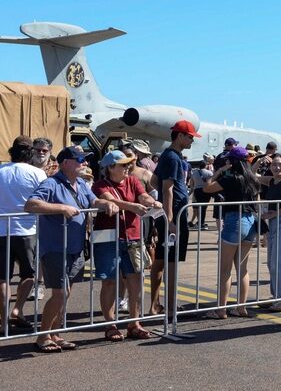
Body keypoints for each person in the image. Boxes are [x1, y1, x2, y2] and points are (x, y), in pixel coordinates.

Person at [25, 146, 118, 353]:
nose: (84, 163)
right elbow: (31, 205)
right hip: (55, 248)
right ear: (65, 162)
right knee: (59, 294)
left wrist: (105, 204)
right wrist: (61, 208)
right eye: (79, 160)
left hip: (75, 248)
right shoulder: (51, 183)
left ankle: (55, 334)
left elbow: (93, 200)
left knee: (65, 294)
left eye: (85, 160)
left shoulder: (82, 184)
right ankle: (42, 337)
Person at [92, 150, 161, 341]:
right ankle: (110, 324)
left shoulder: (133, 181)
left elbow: (143, 196)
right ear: (110, 167)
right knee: (109, 282)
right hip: (107, 238)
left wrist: (152, 202)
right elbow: (110, 200)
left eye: (129, 164)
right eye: (123, 164)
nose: (128, 167)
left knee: (136, 280)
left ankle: (134, 323)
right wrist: (133, 207)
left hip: (133, 237)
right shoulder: (100, 185)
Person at [0, 136, 45, 335]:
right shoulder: (37, 173)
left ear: (12, 151)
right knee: (28, 274)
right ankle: (17, 309)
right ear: (31, 154)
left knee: (2, 278)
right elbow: (43, 201)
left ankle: (4, 322)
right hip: (27, 230)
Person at [203, 145, 259, 318]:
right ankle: (241, 307)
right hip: (250, 221)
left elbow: (207, 187)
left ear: (233, 162)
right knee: (242, 268)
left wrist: (219, 170)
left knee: (225, 269)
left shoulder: (231, 178)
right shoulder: (252, 179)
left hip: (235, 220)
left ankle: (221, 309)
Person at [149, 120, 198, 318]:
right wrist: (170, 221)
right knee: (170, 263)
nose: (192, 141)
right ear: (180, 136)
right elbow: (167, 189)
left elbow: (154, 181)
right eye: (190, 137)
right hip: (173, 216)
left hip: (172, 215)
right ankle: (170, 307)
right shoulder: (172, 157)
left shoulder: (170, 156)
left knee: (161, 262)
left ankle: (156, 305)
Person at [255, 153, 281, 310]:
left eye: (280, 164)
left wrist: (275, 214)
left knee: (280, 262)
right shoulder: (271, 181)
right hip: (273, 223)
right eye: (273, 165)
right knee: (272, 262)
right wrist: (259, 160)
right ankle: (276, 297)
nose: (277, 167)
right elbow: (253, 175)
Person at [189, 155, 215, 230]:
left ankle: (200, 222)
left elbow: (192, 183)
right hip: (206, 190)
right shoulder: (209, 173)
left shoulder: (194, 173)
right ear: (205, 165)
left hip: (197, 191)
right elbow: (211, 182)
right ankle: (201, 223)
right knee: (204, 207)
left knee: (199, 207)